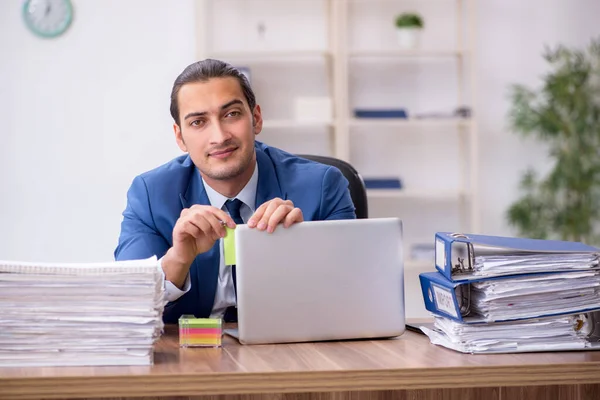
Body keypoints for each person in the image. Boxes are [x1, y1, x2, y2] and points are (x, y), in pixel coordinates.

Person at [114, 59, 356, 323]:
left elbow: (355, 295)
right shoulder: (150, 194)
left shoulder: (323, 185)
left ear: (256, 118)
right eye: (198, 122)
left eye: (231, 115)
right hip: (189, 355)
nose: (219, 136)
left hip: (292, 350)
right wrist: (178, 259)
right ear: (180, 137)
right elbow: (127, 301)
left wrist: (300, 248)